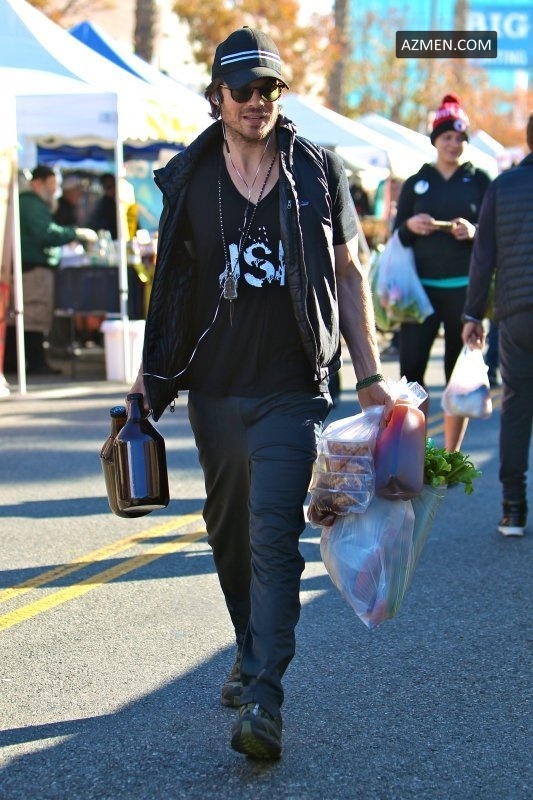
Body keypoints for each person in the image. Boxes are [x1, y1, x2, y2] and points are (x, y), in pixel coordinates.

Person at [127, 26, 393, 760]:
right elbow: (171, 285)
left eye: (269, 87)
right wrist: (150, 373)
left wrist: (369, 376)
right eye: (242, 88)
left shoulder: (316, 169)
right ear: (217, 96)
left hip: (291, 385)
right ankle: (249, 646)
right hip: (214, 387)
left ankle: (264, 698)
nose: (256, 101)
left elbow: (349, 275)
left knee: (273, 533)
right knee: (228, 531)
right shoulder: (189, 177)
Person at [393, 93, 491, 451]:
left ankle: (450, 455)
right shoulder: (417, 181)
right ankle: (414, 451)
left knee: (457, 375)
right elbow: (396, 235)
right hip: (419, 291)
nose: (454, 144)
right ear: (435, 140)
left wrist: (475, 231)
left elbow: (493, 232)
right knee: (411, 373)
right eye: (447, 137)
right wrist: (410, 226)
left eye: (460, 138)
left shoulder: (479, 180)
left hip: (464, 291)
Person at [462, 113, 533, 538]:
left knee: (517, 407)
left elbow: (483, 256)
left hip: (517, 313)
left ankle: (513, 509)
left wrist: (474, 314)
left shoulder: (503, 186)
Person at [16, 165, 96, 374]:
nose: (54, 189)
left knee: (35, 314)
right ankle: (35, 363)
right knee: (34, 314)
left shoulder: (34, 203)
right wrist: (74, 233)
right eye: (52, 184)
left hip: (35, 266)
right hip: (34, 268)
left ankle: (32, 362)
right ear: (37, 183)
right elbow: (46, 233)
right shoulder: (31, 203)